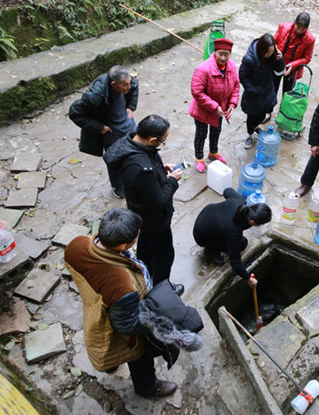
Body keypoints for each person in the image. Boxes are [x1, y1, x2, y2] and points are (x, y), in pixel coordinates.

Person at [64, 208, 177, 398]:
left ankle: (112, 363)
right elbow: (128, 325)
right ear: (124, 245)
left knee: (113, 348)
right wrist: (158, 318)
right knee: (139, 356)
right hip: (118, 316)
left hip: (97, 304)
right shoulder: (122, 286)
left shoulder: (77, 245)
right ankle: (147, 388)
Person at [104, 115, 184, 296]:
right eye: (162, 142)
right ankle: (162, 290)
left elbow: (146, 168)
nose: (161, 145)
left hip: (140, 213)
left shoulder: (131, 142)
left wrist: (159, 168)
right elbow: (158, 201)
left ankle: (143, 275)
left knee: (146, 246)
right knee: (164, 255)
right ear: (152, 139)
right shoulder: (141, 169)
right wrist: (172, 181)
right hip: (154, 220)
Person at [68, 65, 138, 199]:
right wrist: (99, 127)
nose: (129, 87)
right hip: (111, 134)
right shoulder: (95, 96)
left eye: (129, 83)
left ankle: (132, 178)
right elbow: (75, 113)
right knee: (114, 160)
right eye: (125, 85)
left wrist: (131, 106)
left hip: (128, 126)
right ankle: (118, 186)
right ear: (114, 84)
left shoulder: (127, 81)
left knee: (133, 154)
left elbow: (135, 87)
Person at [193, 188, 272, 289]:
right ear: (252, 221)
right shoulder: (233, 231)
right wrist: (249, 278)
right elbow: (235, 263)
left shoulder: (240, 201)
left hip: (208, 214)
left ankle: (215, 242)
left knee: (242, 242)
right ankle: (209, 251)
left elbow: (227, 190)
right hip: (202, 235)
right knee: (241, 244)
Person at [189, 37, 240, 173]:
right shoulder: (203, 69)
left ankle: (213, 152)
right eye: (220, 54)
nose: (223, 58)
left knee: (216, 131)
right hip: (203, 109)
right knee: (201, 134)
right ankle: (199, 158)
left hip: (220, 109)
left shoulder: (232, 67)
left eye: (226, 54)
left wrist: (232, 103)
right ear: (214, 52)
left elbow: (236, 86)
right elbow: (197, 92)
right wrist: (214, 106)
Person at [239, 34, 285, 149]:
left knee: (262, 116)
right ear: (261, 49)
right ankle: (250, 135)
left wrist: (280, 59)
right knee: (252, 118)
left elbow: (280, 72)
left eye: (271, 52)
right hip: (253, 95)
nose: (269, 55)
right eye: (267, 52)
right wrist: (253, 90)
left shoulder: (272, 56)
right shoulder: (249, 59)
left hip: (267, 92)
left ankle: (255, 127)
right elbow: (243, 77)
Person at [272, 12, 315, 104]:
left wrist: (293, 65)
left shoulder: (310, 39)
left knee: (287, 94)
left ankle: (283, 113)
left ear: (307, 28)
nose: (299, 31)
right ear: (294, 23)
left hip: (292, 70)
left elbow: (307, 58)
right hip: (277, 64)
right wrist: (275, 50)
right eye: (298, 27)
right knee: (272, 90)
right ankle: (268, 111)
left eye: (303, 29)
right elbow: (273, 41)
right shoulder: (283, 27)